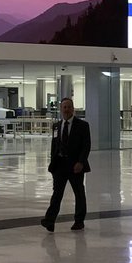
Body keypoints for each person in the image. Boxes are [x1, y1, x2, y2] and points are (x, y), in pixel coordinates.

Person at [41, 97, 91, 232]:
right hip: (60, 165)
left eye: (69, 107)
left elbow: (86, 146)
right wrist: (52, 165)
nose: (66, 110)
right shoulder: (57, 126)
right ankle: (49, 220)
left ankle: (79, 221)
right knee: (57, 194)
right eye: (64, 107)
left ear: (73, 109)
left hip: (75, 165)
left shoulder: (82, 125)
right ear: (61, 109)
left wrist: (81, 162)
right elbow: (54, 146)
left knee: (79, 193)